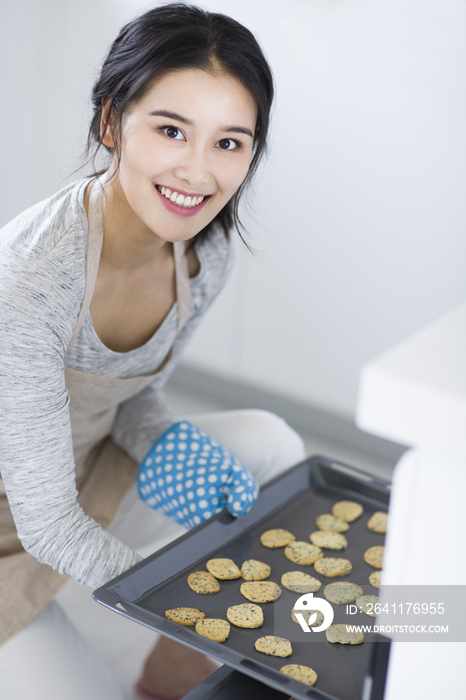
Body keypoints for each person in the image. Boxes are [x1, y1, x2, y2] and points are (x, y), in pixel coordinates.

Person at [0, 4, 305, 699]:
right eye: (172, 130)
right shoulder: (30, 277)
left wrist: (166, 439)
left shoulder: (207, 252)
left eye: (230, 142)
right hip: (18, 524)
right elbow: (46, 524)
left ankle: (174, 669)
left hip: (85, 474)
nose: (199, 173)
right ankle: (153, 647)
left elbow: (131, 392)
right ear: (112, 121)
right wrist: (189, 609)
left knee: (270, 443)